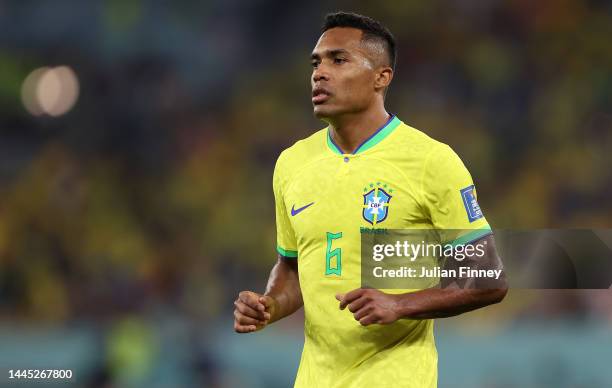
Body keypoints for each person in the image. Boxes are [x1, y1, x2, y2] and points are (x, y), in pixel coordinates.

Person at [233, 11, 507, 388]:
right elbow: (295, 267)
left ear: (382, 77)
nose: (319, 72)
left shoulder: (430, 161)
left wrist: (399, 305)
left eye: (338, 60)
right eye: (316, 62)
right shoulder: (292, 163)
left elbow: (487, 278)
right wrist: (268, 305)